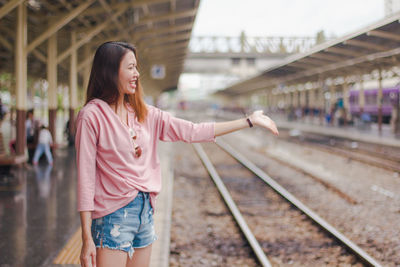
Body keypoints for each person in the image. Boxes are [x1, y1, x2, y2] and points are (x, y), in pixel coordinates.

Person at [76, 41, 279, 267]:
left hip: (145, 211)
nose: (137, 74)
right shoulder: (91, 116)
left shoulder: (146, 114)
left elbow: (193, 131)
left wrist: (248, 121)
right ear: (111, 71)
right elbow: (85, 179)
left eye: (137, 67)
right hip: (112, 215)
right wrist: (86, 238)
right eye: (131, 67)